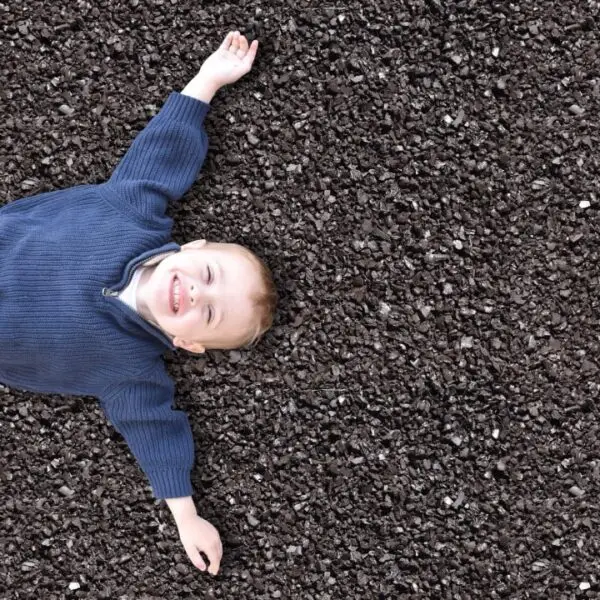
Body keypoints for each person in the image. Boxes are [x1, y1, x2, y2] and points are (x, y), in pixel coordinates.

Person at [0, 31, 276, 575]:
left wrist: (186, 515)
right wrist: (208, 81)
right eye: (209, 274)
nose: (198, 291)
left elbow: (156, 431)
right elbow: (163, 150)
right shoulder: (135, 212)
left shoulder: (131, 371)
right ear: (192, 248)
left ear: (189, 343)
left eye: (211, 312)